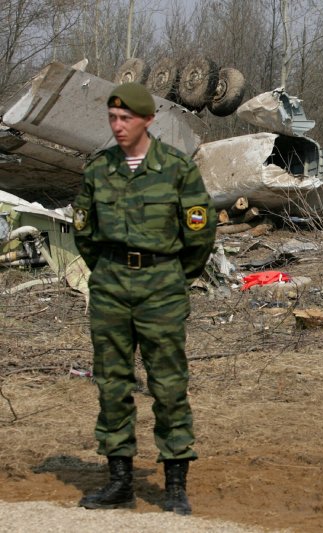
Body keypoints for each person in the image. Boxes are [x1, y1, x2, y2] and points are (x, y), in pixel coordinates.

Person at [72, 82, 216, 515]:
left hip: (161, 287)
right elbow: (84, 232)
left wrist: (175, 277)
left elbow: (199, 234)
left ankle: (174, 484)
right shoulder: (98, 170)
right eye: (112, 118)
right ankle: (119, 481)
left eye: (126, 118)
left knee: (168, 384)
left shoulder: (176, 168)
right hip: (111, 287)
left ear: (148, 120)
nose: (118, 126)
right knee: (112, 382)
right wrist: (109, 269)